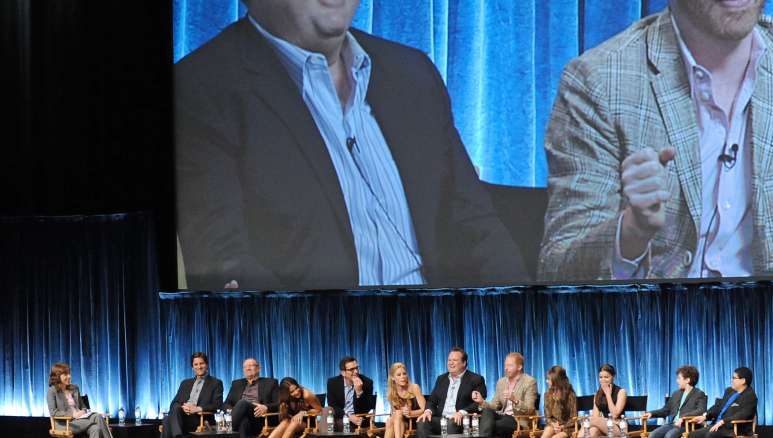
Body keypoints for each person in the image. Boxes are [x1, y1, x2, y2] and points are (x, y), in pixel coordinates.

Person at [174, 0, 530, 290]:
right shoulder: (200, 89)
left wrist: (524, 316)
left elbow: (478, 226)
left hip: (449, 336)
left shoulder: (412, 71)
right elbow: (226, 262)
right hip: (330, 348)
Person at [538, 0, 773, 282]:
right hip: (648, 321)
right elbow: (557, 270)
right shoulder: (600, 82)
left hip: (763, 320)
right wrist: (631, 232)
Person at [413, 347, 487, 438]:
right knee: (422, 422)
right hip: (440, 418)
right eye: (449, 360)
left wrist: (463, 412)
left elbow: (479, 402)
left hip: (459, 420)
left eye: (455, 360)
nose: (451, 363)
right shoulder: (441, 379)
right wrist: (428, 411)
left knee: (452, 423)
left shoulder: (475, 379)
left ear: (464, 363)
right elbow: (432, 400)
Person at [46, 363, 130, 438]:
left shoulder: (74, 388)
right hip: (65, 424)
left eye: (69, 374)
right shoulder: (52, 391)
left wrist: (85, 412)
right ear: (57, 376)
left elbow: (83, 407)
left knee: (95, 427)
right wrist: (73, 415)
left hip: (81, 420)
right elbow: (53, 412)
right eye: (65, 374)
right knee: (97, 417)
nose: (69, 376)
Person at [148, 352, 223, 438]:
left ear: (207, 365)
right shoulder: (185, 383)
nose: (199, 367)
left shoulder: (216, 383)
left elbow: (217, 405)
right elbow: (174, 403)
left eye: (201, 363)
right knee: (174, 410)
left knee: (167, 420)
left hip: (200, 420)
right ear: (192, 367)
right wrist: (184, 407)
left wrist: (197, 408)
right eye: (196, 364)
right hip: (181, 419)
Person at [641, 365, 708, 438]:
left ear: (688, 380)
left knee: (669, 436)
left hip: (687, 426)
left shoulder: (699, 394)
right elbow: (666, 410)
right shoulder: (676, 393)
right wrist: (652, 413)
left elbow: (701, 410)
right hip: (673, 424)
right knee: (653, 436)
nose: (677, 381)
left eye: (679, 378)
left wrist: (683, 417)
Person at [474, 352, 538, 438]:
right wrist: (482, 402)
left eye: (510, 365)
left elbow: (530, 409)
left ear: (519, 367)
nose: (506, 368)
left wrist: (515, 400)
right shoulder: (501, 382)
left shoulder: (529, 382)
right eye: (505, 365)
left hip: (518, 421)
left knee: (485, 425)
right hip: (502, 417)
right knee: (487, 412)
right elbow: (494, 405)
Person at [251, 377, 321, 438]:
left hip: (308, 422)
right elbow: (285, 414)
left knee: (293, 422)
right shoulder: (284, 398)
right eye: (292, 392)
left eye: (296, 388)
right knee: (285, 422)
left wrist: (303, 412)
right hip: (292, 422)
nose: (296, 392)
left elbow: (319, 410)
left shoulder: (306, 394)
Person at [521, 366, 576, 438]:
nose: (546, 381)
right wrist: (553, 424)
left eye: (549, 379)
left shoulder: (570, 393)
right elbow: (548, 416)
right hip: (554, 425)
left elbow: (573, 417)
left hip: (568, 428)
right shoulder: (547, 394)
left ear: (556, 380)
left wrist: (562, 427)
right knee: (547, 430)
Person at [374, 362, 426, 438]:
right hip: (400, 423)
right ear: (393, 378)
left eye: (404, 374)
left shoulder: (414, 387)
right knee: (393, 418)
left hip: (415, 421)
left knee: (394, 418)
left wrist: (411, 412)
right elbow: (395, 413)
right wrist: (398, 415)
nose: (403, 377)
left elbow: (424, 409)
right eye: (399, 375)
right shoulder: (392, 393)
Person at [223, 358, 279, 438]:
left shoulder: (271, 383)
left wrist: (266, 407)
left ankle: (224, 432)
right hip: (242, 418)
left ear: (258, 368)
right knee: (242, 420)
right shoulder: (236, 384)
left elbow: (280, 403)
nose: (248, 368)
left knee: (243, 403)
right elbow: (226, 404)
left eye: (251, 365)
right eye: (245, 366)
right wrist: (233, 411)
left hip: (260, 419)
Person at [326, 356, 375, 432]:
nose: (356, 371)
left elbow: (366, 409)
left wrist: (359, 392)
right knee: (329, 422)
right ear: (343, 373)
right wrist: (348, 416)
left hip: (358, 418)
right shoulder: (333, 383)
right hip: (340, 417)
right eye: (352, 369)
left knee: (339, 426)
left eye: (357, 368)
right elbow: (332, 406)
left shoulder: (367, 383)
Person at [577, 364, 627, 438]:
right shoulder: (597, 394)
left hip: (619, 427)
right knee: (593, 430)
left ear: (613, 377)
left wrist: (608, 395)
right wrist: (603, 420)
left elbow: (615, 415)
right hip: (603, 425)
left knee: (590, 420)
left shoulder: (621, 392)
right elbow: (595, 416)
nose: (603, 380)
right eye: (600, 377)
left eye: (606, 377)